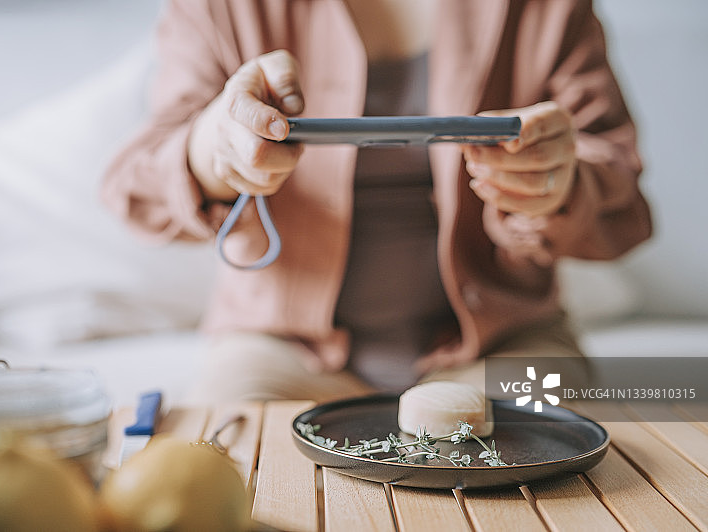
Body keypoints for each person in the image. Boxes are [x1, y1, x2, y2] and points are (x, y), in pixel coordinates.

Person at [102, 0, 652, 403]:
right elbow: (136, 185)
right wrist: (213, 149)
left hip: (502, 344)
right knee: (229, 470)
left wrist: (558, 184)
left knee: (543, 469)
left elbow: (618, 189)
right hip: (280, 348)